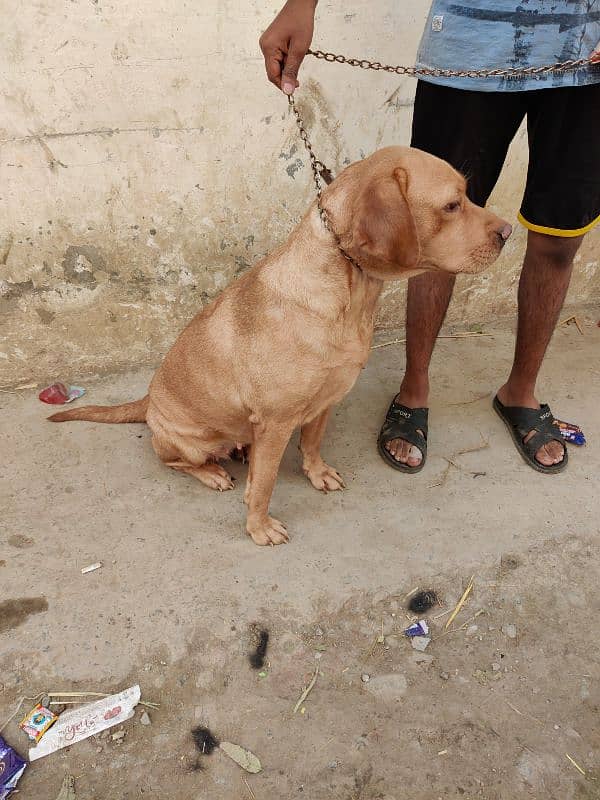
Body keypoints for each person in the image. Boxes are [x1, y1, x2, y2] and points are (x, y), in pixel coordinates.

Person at [260, 0, 600, 475]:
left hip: (586, 59)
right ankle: (414, 387)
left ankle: (521, 392)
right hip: (468, 48)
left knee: (559, 238)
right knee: (432, 229)